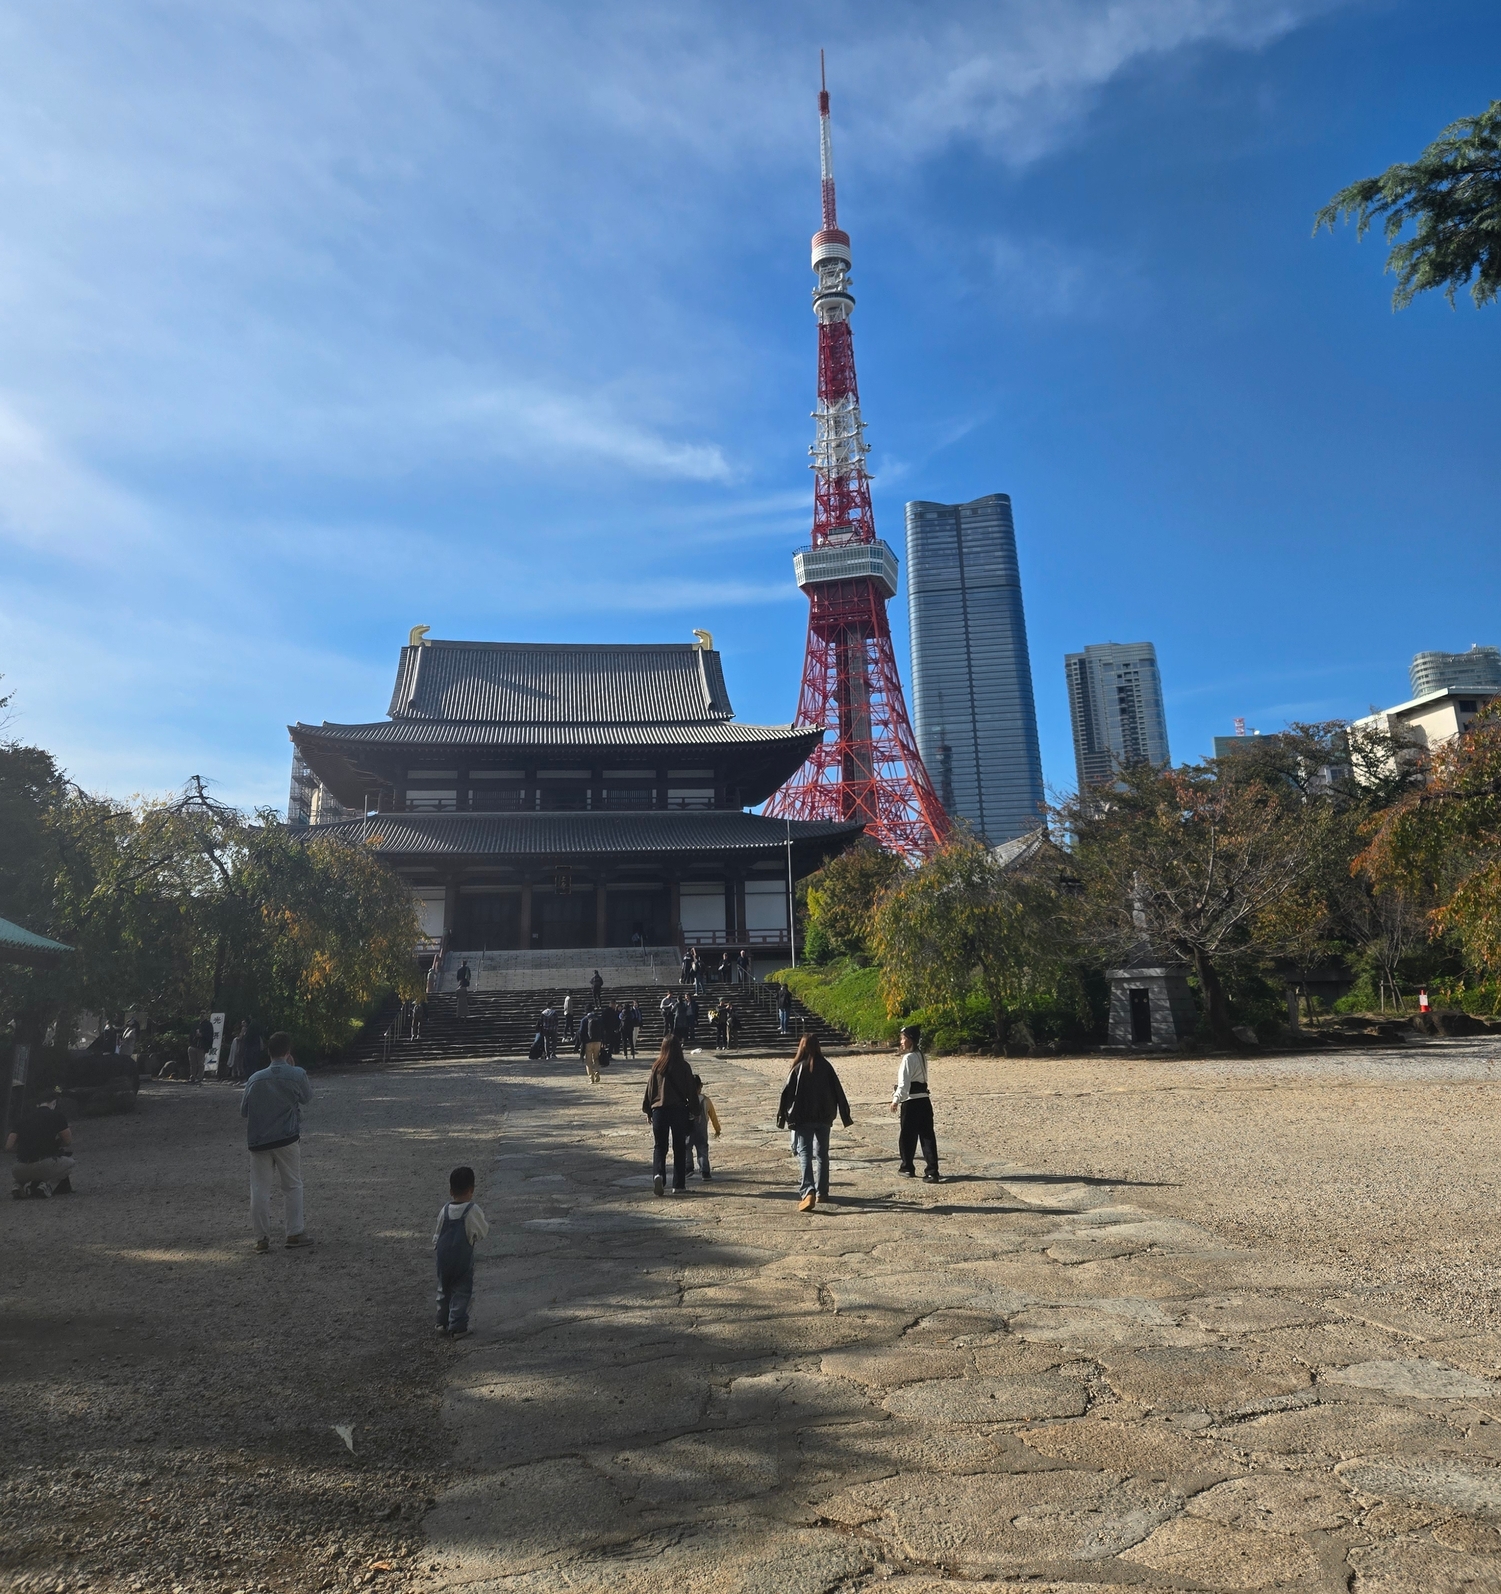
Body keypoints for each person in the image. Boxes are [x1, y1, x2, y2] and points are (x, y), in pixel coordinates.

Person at [241, 1030, 313, 1251]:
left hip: (258, 1140)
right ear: (288, 1051)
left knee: (259, 1189)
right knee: (292, 1185)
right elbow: (307, 1098)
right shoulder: (297, 1074)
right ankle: (294, 1232)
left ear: (268, 1052)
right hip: (286, 1137)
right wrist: (293, 1068)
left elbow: (244, 1110)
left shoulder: (254, 1079)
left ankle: (261, 1238)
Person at [776, 1035, 853, 1213]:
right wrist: (844, 1115)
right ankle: (822, 1192)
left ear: (802, 1047)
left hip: (803, 1118)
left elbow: (785, 1094)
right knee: (822, 1154)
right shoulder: (826, 1067)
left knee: (805, 1154)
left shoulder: (797, 1068)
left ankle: (808, 1190)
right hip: (824, 1117)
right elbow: (838, 1091)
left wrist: (783, 1117)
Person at [432, 1164, 489, 1338]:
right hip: (461, 1258)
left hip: (443, 1257)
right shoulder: (472, 1210)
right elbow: (481, 1231)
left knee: (444, 1289)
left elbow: (437, 1233)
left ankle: (441, 1323)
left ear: (451, 1191)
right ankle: (457, 1326)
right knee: (461, 1290)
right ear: (471, 1189)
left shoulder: (444, 1210)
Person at [642, 1036, 698, 1195]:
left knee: (660, 1146)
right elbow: (691, 1091)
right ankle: (678, 1185)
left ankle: (658, 1175)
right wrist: (696, 1110)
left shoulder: (657, 1066)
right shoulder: (684, 1067)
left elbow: (650, 1089)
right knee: (679, 1147)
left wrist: (648, 1109)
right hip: (678, 1111)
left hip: (659, 1111)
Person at [891, 1024, 940, 1182]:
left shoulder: (908, 1058)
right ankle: (932, 1171)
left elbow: (904, 1085)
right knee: (927, 1136)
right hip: (924, 1100)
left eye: (903, 1038)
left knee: (907, 1136)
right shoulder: (921, 1056)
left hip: (911, 1101)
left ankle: (907, 1167)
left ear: (910, 1040)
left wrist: (896, 1100)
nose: (901, 1041)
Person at [7, 1090, 74, 1198]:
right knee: (70, 1163)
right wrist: (56, 1144)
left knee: (25, 1171)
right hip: (44, 1165)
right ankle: (47, 1186)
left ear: (37, 1104)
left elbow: (8, 1146)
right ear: (54, 1103)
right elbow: (67, 1141)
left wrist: (23, 1149)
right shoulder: (57, 1115)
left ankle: (18, 1184)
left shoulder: (22, 1119)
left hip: (19, 1169)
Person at [687, 1073, 721, 1180]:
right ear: (701, 1086)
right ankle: (705, 1172)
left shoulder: (685, 1100)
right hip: (701, 1132)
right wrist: (717, 1129)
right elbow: (713, 1116)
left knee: (686, 1149)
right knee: (702, 1151)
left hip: (687, 1131)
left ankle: (688, 1168)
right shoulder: (706, 1100)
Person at [580, 1007, 605, 1084]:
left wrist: (582, 1042)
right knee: (596, 1058)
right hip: (598, 1041)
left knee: (588, 1060)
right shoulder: (599, 1019)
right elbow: (603, 1030)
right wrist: (603, 1041)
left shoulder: (584, 1020)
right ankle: (597, 1071)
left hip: (588, 1042)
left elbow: (581, 1032)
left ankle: (591, 1078)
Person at [187, 1016, 214, 1085]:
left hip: (201, 1047)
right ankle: (192, 1077)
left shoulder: (208, 1024)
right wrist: (191, 1042)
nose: (202, 1014)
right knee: (192, 1063)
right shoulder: (195, 1023)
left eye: (204, 1013)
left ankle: (199, 1078)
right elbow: (191, 1033)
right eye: (201, 1013)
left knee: (200, 1063)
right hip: (193, 1045)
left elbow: (210, 1035)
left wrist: (202, 1035)